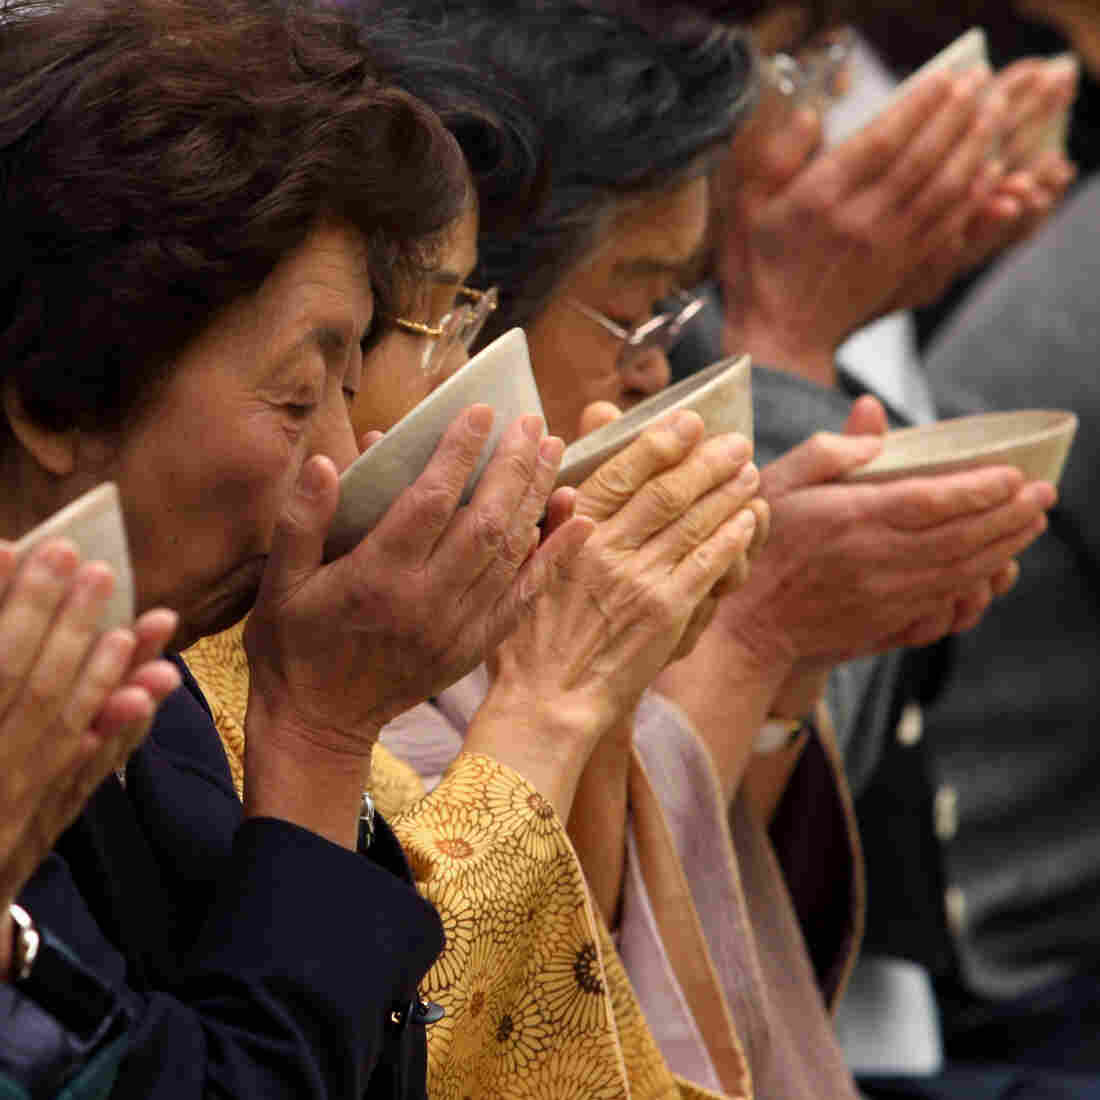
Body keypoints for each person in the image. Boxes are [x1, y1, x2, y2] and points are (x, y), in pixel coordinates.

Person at [367, 4, 1051, 1098]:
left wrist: (787, 657)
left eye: (826, 60)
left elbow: (727, 901)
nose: (655, 369)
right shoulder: (361, 608)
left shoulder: (563, 446)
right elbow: (567, 1019)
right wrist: (747, 634)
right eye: (638, 312)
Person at [0, 0, 598, 1095]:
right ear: (52, 392)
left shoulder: (154, 686)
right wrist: (320, 735)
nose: (341, 454)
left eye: (349, 384)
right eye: (295, 395)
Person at [185, 10, 770, 1098]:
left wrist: (595, 698)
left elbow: (571, 1013)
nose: (339, 425)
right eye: (446, 323)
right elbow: (408, 1051)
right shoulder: (205, 656)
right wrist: (560, 701)